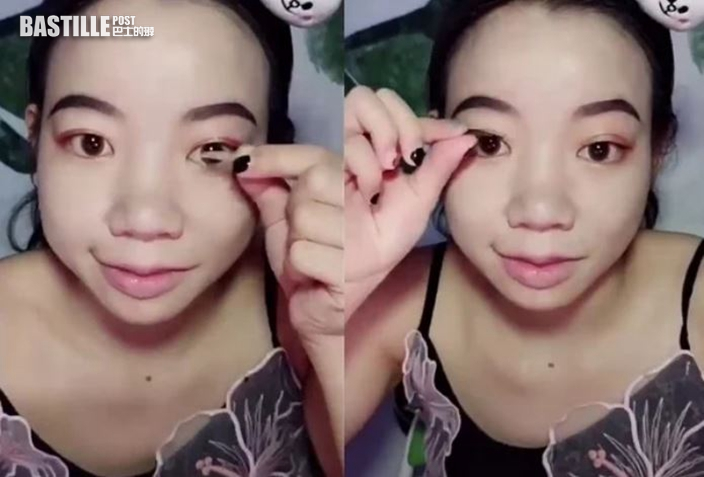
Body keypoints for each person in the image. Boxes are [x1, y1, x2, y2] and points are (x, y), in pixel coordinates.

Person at [344, 0, 704, 474]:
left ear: (656, 153)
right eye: (490, 143)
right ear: (430, 144)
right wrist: (341, 281)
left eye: (599, 149)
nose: (540, 212)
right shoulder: (399, 302)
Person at [0, 0, 343, 475]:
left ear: (273, 155)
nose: (145, 219)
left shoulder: (309, 322)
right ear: (36, 137)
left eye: (212, 149)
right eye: (91, 143)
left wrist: (332, 342)